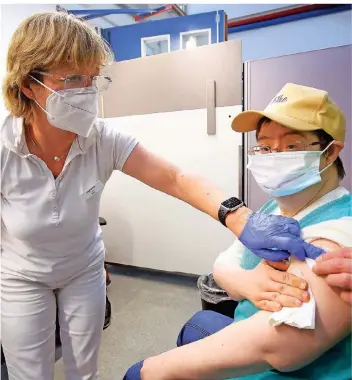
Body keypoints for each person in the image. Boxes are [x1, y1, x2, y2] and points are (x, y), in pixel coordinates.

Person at [0, 12, 321, 380]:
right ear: (28, 85)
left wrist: (239, 217)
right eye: (73, 79)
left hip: (82, 269)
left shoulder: (100, 139)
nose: (87, 92)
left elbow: (174, 177)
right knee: (28, 372)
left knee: (83, 368)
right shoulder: (5, 150)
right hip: (21, 276)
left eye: (93, 80)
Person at [124, 83, 352, 380]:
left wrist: (155, 369)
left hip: (291, 372)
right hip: (248, 333)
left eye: (292, 146)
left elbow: (277, 347)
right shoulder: (273, 209)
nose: (273, 156)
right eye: (265, 147)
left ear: (330, 152)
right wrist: (248, 283)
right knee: (199, 322)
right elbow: (222, 266)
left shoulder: (338, 233)